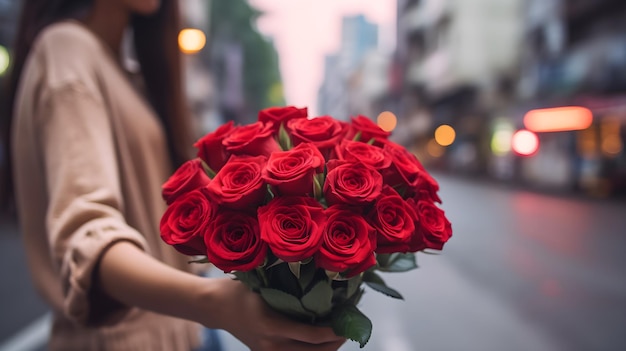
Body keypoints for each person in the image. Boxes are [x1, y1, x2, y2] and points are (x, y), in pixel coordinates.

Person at [0, 0, 345, 350]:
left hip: (184, 335)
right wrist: (215, 303)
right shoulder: (66, 50)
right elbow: (88, 241)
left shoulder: (124, 72)